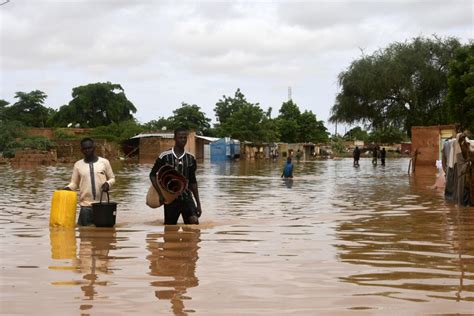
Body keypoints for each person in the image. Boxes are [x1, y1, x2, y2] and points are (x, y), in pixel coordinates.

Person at [149, 127, 202, 225]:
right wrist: (160, 194)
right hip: (170, 199)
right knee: (169, 229)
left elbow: (193, 181)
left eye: (184, 138)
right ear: (174, 138)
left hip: (186, 198)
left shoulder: (191, 158)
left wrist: (198, 204)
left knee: (194, 226)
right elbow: (152, 175)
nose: (182, 140)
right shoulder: (164, 156)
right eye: (180, 138)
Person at [64, 138, 115, 226]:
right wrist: (67, 188)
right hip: (85, 206)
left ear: (94, 148)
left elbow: (112, 178)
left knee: (104, 236)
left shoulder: (104, 162)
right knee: (85, 235)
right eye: (85, 149)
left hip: (102, 205)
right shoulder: (78, 165)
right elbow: (74, 183)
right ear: (81, 150)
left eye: (89, 148)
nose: (87, 150)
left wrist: (108, 184)